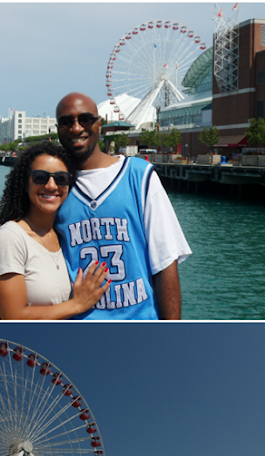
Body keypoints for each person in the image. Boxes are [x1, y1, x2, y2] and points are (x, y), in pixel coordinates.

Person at [54, 92, 191, 320]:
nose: (77, 128)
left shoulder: (140, 176)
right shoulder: (54, 188)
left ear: (100, 124)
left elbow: (165, 264)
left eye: (86, 119)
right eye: (67, 122)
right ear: (57, 129)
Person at [0, 141, 109, 319]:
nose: (51, 185)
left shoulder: (63, 234)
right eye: (40, 177)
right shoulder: (10, 238)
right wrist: (76, 305)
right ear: (25, 183)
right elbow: (13, 317)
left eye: (61, 178)